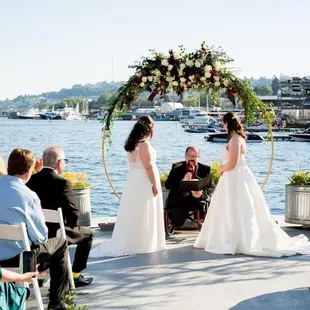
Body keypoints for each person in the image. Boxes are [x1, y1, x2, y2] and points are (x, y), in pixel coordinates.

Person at [194, 112, 310, 257]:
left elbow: (233, 163)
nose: (222, 125)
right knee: (229, 206)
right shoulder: (237, 138)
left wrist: (220, 169)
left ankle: (237, 240)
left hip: (234, 177)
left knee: (236, 206)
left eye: (223, 123)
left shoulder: (235, 139)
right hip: (233, 177)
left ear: (227, 123)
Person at [0, 148, 69, 310]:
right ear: (30, 171)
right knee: (60, 244)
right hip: (21, 260)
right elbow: (40, 237)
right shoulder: (28, 196)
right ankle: (56, 301)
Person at [90, 116, 167, 257]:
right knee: (144, 209)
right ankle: (142, 242)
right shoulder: (144, 144)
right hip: (144, 180)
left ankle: (134, 239)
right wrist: (155, 184)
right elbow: (148, 166)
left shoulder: (133, 143)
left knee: (135, 210)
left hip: (134, 180)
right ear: (149, 128)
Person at [27, 146, 94, 287]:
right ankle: (75, 274)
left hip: (36, 233)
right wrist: (72, 224)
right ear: (58, 163)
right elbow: (72, 214)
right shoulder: (62, 183)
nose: (64, 163)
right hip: (58, 232)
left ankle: (41, 272)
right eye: (65, 160)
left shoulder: (31, 180)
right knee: (88, 234)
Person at [165, 146, 215, 227]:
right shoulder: (177, 167)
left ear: (198, 157)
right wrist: (183, 180)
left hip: (196, 200)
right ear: (185, 155)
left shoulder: (205, 169)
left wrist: (201, 194)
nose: (192, 158)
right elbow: (168, 185)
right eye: (190, 156)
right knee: (176, 202)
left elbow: (212, 187)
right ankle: (176, 221)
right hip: (179, 198)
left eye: (195, 156)